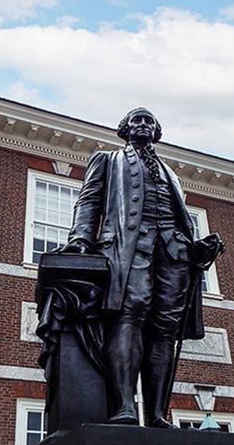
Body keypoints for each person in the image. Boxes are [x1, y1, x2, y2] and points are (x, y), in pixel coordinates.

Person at [60, 107, 220, 428]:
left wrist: (197, 249)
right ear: (125, 129)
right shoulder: (108, 160)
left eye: (149, 121)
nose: (143, 124)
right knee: (130, 313)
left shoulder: (170, 173)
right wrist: (80, 239)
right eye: (137, 119)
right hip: (128, 246)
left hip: (174, 252)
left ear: (157, 131)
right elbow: (89, 201)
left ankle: (157, 414)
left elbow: (180, 218)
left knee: (165, 329)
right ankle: (124, 406)